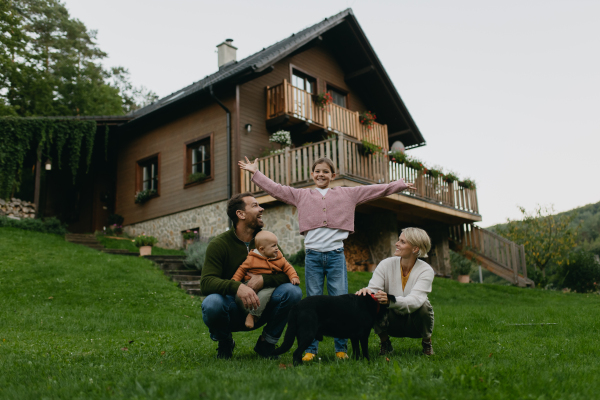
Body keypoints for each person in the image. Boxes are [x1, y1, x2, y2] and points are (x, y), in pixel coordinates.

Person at [239, 156, 415, 361]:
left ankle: (341, 349)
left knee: (342, 302)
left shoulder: (347, 193)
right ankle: (310, 350)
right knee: (314, 302)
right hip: (313, 257)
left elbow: (374, 190)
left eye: (325, 171)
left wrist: (399, 184)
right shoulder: (301, 195)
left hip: (335, 256)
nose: (321, 174)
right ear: (312, 174)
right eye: (317, 171)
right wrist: (256, 173)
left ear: (332, 175)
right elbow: (277, 189)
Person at [200, 193, 303, 359]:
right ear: (240, 214)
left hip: (263, 305)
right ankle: (225, 341)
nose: (261, 209)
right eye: (255, 205)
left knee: (293, 292)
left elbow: (289, 273)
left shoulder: (266, 241)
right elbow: (206, 282)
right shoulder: (219, 245)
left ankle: (266, 343)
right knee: (212, 303)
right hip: (232, 307)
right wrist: (238, 287)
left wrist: (264, 280)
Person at [356, 227, 435, 356]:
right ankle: (385, 343)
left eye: (402, 242)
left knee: (424, 305)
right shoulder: (385, 264)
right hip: (391, 320)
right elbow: (374, 288)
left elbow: (415, 301)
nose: (396, 244)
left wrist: (390, 300)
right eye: (399, 240)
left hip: (414, 323)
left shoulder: (426, 270)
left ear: (415, 249)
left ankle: (426, 342)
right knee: (370, 300)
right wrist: (367, 292)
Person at [232, 230, 300, 329]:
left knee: (263, 295)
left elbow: (288, 267)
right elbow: (241, 269)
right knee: (241, 295)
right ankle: (245, 311)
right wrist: (235, 282)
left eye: (277, 245)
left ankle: (252, 315)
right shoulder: (252, 259)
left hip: (268, 286)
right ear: (262, 249)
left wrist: (293, 276)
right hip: (249, 283)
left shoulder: (278, 257)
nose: (277, 248)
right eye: (273, 246)